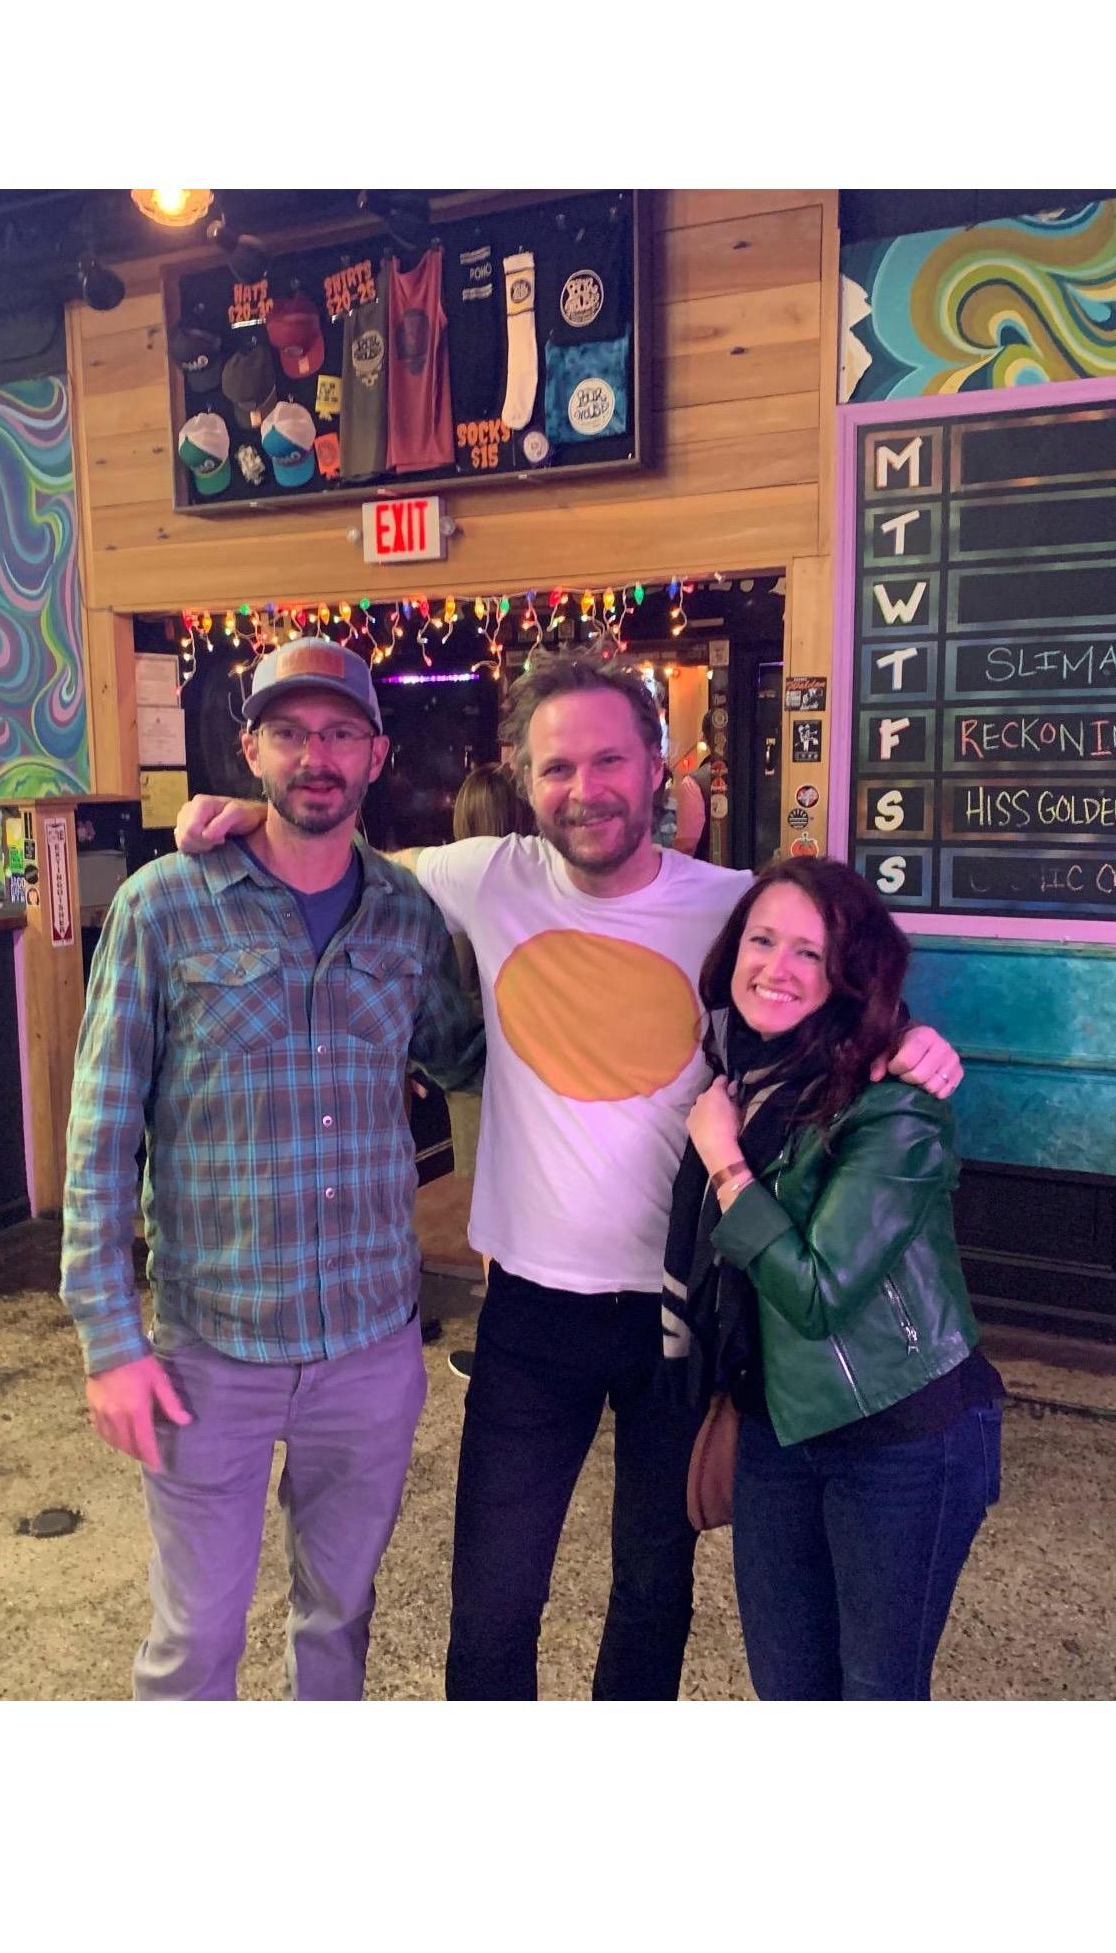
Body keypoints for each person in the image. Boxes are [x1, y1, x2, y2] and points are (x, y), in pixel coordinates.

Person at [175, 646, 962, 1700]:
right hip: (531, 1309)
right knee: (493, 1601)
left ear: (655, 767)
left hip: (682, 1309)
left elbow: (839, 976)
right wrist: (234, 814)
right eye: (556, 769)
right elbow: (330, 855)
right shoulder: (482, 876)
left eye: (607, 762)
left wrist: (911, 1044)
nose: (583, 790)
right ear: (521, 777)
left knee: (651, 1592)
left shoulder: (733, 906)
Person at [61, 636, 482, 1700]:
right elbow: (102, 1132)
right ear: (249, 749)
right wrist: (110, 1337)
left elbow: (466, 1051)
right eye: (290, 732)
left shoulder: (405, 913)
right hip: (215, 1350)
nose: (316, 756)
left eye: (341, 732)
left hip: (371, 1345)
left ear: (378, 755)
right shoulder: (165, 906)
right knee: (196, 1643)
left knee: (339, 1621)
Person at [669, 857, 1003, 1699]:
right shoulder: (737, 1074)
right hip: (776, 1423)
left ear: (850, 974)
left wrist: (724, 1164)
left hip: (900, 1439)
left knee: (875, 1694)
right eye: (762, 939)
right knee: (789, 1689)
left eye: (810, 954)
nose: (776, 969)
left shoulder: (894, 1102)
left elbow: (818, 1294)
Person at [443, 764, 535, 1383]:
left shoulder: (456, 889)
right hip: (537, 1074)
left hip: (475, 1073)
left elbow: (441, 1000)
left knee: (492, 1213)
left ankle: (501, 1345)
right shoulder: (539, 886)